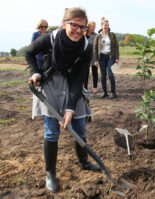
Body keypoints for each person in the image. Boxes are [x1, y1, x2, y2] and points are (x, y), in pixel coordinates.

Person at [25, 7, 101, 192]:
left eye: (82, 27)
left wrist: (70, 109)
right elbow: (28, 52)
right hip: (50, 86)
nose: (78, 30)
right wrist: (35, 72)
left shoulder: (86, 47)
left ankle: (84, 162)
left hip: (73, 88)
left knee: (80, 127)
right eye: (74, 25)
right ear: (64, 24)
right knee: (51, 132)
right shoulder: (50, 39)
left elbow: (79, 80)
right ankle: (50, 173)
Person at [93, 17, 119, 99]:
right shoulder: (98, 36)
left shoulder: (112, 35)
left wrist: (117, 57)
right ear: (101, 26)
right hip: (101, 57)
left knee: (110, 74)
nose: (106, 26)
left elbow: (116, 47)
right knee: (103, 75)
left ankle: (113, 92)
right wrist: (96, 60)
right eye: (105, 25)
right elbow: (95, 48)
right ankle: (104, 92)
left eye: (107, 25)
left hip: (110, 56)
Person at [84, 21, 98, 94]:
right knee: (85, 73)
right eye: (92, 26)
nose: (93, 28)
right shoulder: (83, 35)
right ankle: (85, 87)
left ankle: (95, 87)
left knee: (94, 72)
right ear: (88, 27)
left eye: (94, 26)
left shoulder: (96, 35)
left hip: (94, 55)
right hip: (85, 56)